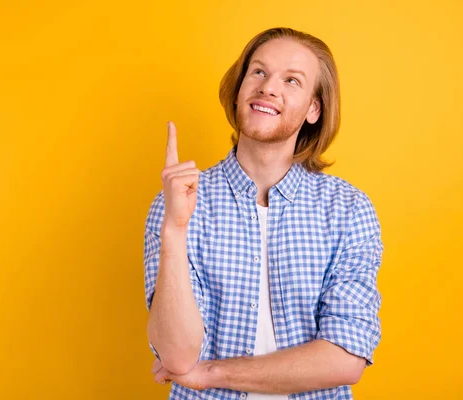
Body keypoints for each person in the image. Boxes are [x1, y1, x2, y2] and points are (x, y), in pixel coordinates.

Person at [143, 27, 383, 400]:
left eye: (292, 80)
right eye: (258, 72)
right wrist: (174, 231)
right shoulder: (177, 204)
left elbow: (345, 358)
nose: (268, 87)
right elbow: (176, 355)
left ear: (313, 109)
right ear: (239, 89)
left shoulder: (348, 211)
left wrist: (209, 373)